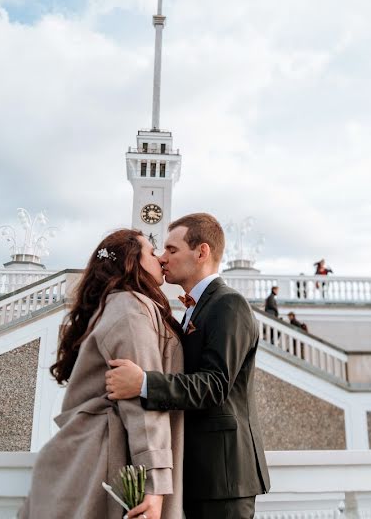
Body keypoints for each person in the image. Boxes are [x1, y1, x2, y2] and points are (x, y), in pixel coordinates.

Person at [105, 213, 270, 518]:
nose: (163, 258)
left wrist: (143, 383)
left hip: (224, 477)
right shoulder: (194, 308)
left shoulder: (228, 304)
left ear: (202, 252)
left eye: (171, 250)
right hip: (200, 473)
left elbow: (215, 385)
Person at [20, 229, 184, 519]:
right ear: (131, 262)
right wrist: (154, 486)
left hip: (88, 457)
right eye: (151, 252)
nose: (160, 258)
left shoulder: (118, 305)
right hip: (109, 462)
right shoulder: (131, 310)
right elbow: (143, 405)